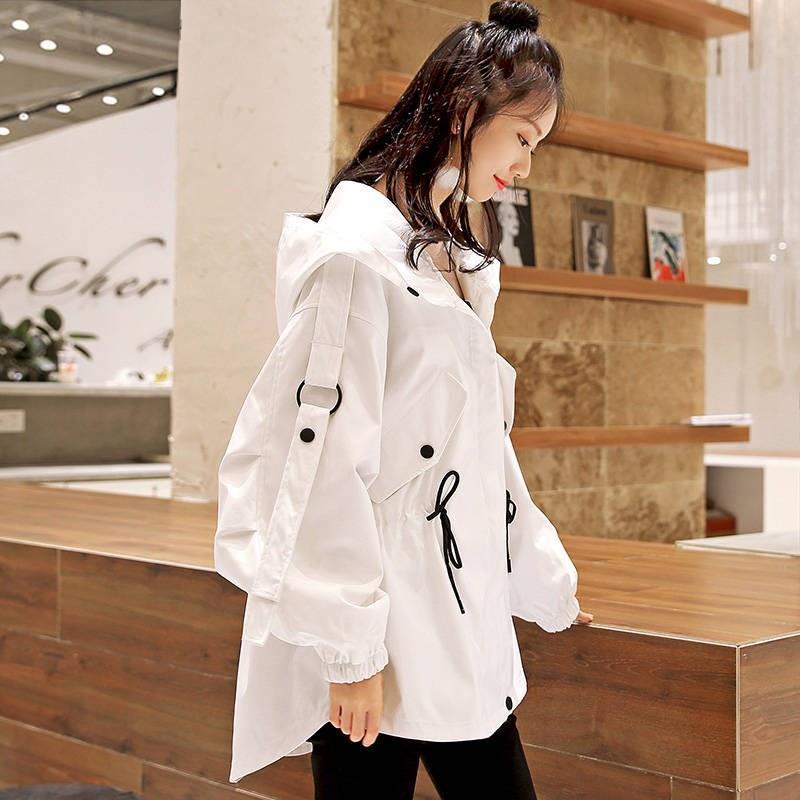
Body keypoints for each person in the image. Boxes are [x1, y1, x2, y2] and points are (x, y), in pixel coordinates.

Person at [214, 1, 593, 797]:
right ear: (465, 109)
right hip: (379, 635)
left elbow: (478, 451)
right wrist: (350, 651)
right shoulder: (356, 258)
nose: (526, 166)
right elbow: (317, 465)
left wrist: (542, 577)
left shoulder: (445, 260)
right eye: (524, 138)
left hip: (455, 620)